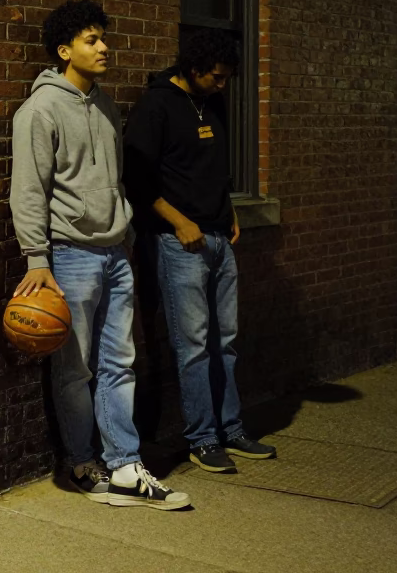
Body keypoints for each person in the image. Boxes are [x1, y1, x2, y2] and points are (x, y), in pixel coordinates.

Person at [9, 0, 191, 511]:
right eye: (92, 40)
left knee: (120, 363)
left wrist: (126, 239)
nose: (104, 47)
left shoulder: (106, 105)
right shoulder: (40, 110)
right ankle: (82, 463)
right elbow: (28, 190)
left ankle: (126, 466)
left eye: (102, 38)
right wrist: (37, 261)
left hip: (114, 252)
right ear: (65, 50)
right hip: (68, 256)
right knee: (74, 370)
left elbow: (115, 182)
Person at [123, 28, 276, 473]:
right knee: (192, 346)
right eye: (216, 77)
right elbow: (137, 181)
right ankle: (203, 438)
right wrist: (180, 221)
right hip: (177, 241)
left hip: (217, 238)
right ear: (193, 70)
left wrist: (227, 209)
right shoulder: (155, 106)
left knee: (224, 342)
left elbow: (216, 166)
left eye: (228, 77)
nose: (223, 84)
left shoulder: (213, 101)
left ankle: (231, 428)